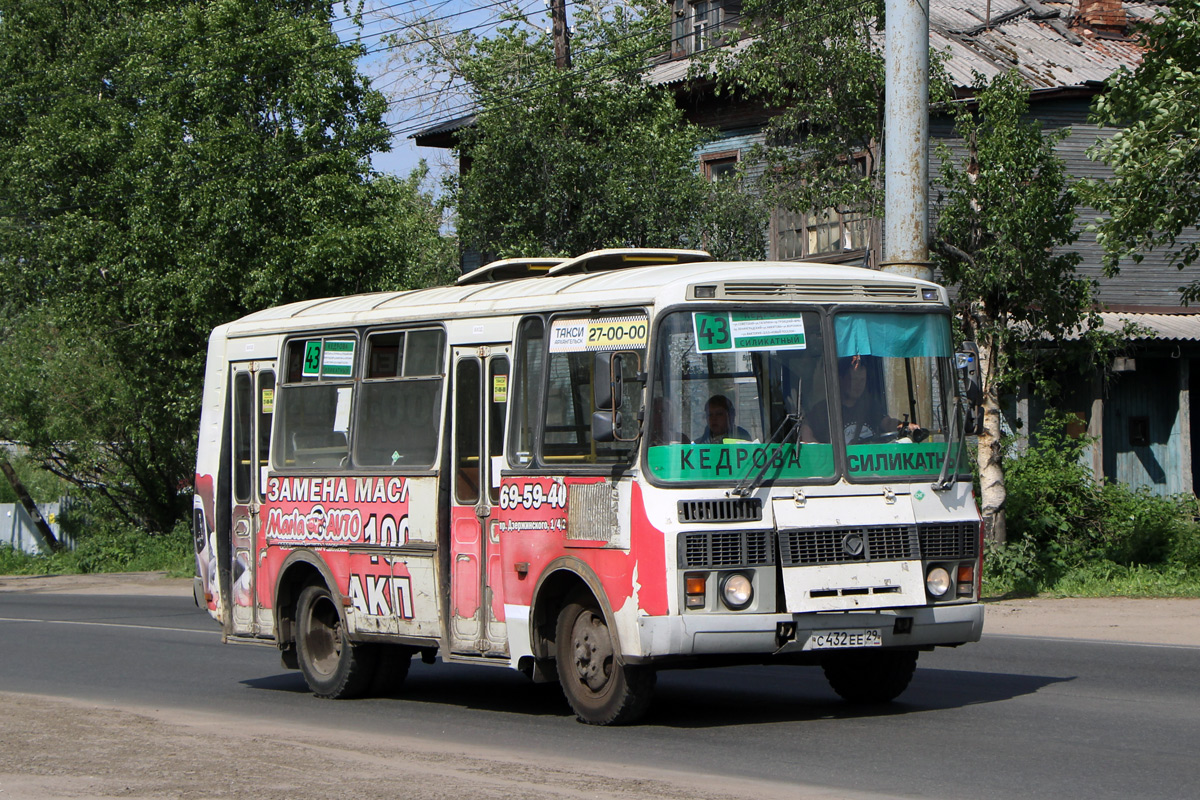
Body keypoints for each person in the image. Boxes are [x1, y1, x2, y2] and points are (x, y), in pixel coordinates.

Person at [806, 357, 923, 444]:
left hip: (868, 470)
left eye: (862, 380)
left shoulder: (870, 406)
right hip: (840, 473)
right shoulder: (824, 411)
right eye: (854, 379)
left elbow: (887, 422)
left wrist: (905, 426)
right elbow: (806, 433)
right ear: (841, 380)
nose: (858, 385)